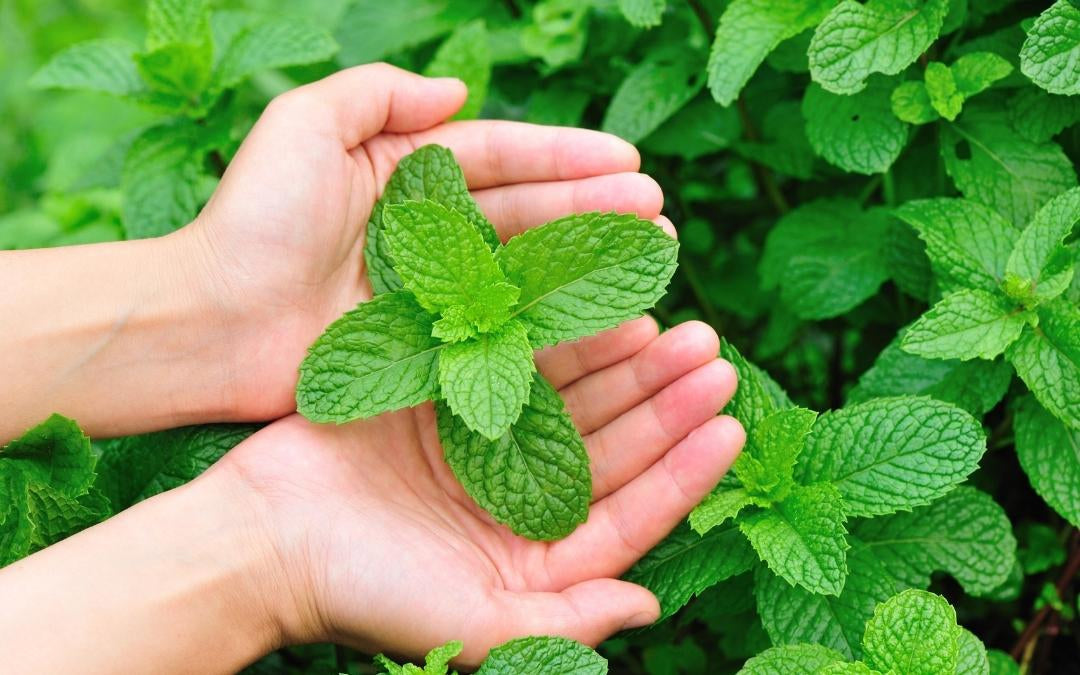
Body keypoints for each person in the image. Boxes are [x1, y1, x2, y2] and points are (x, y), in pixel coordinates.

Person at [0, 64, 743, 672]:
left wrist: (213, 298)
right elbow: (389, 372)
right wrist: (266, 559)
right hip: (455, 328)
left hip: (472, 330)